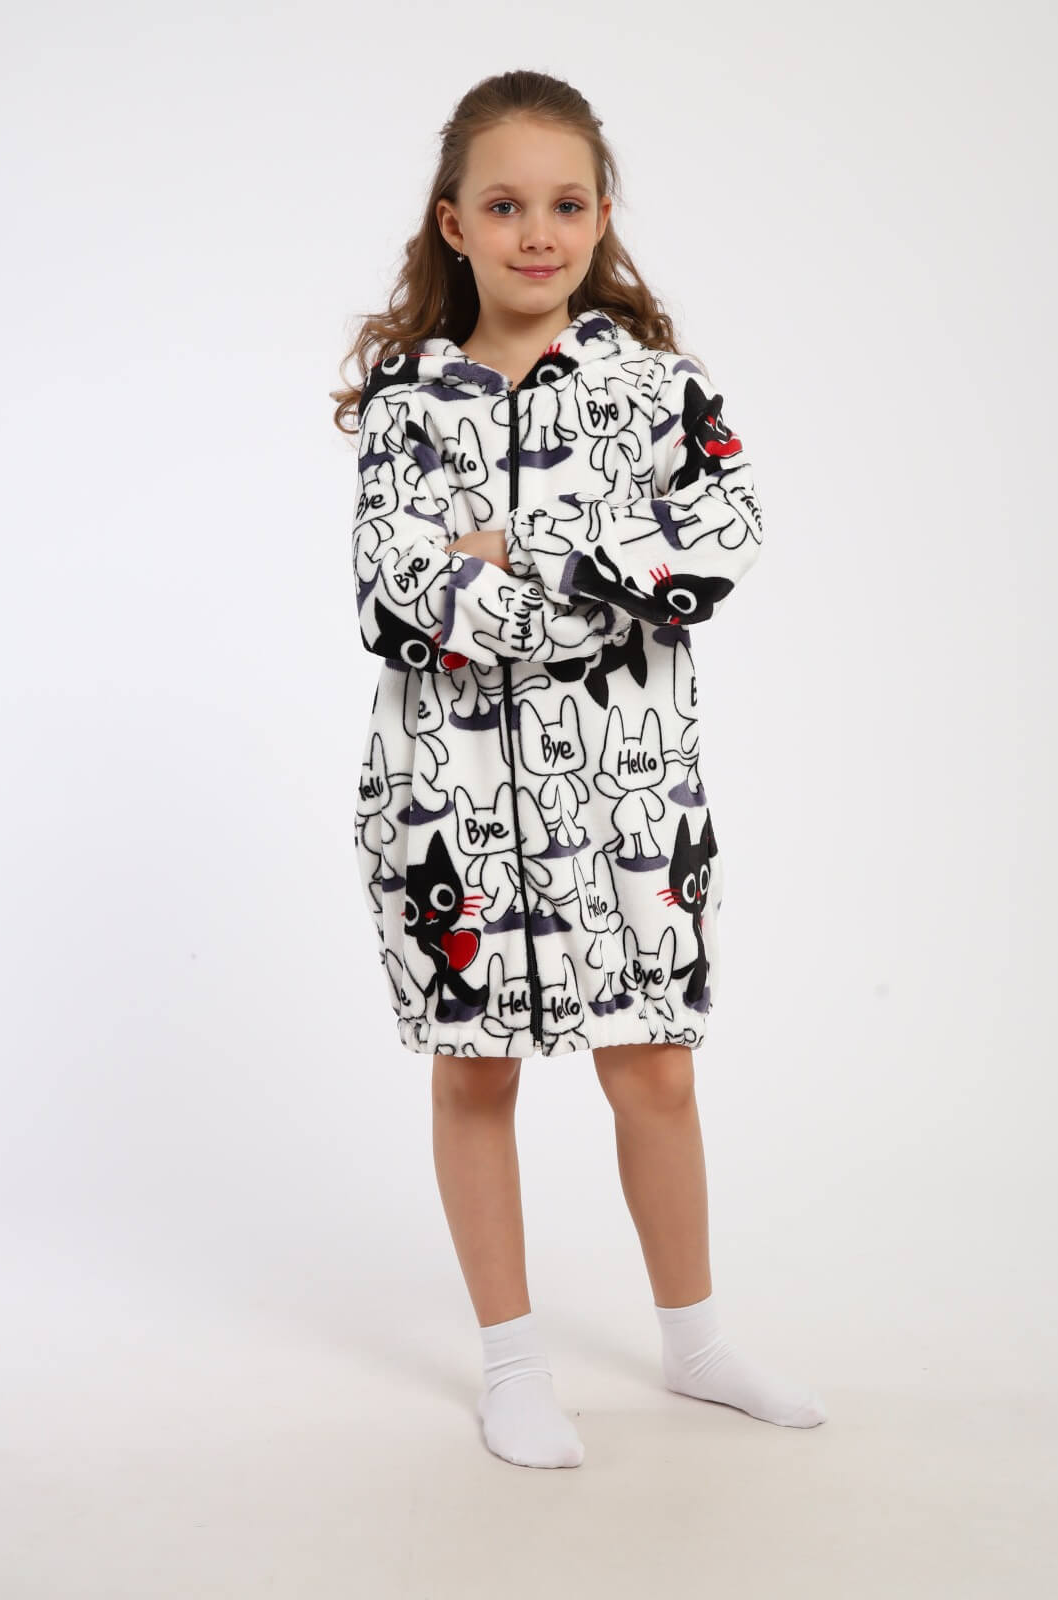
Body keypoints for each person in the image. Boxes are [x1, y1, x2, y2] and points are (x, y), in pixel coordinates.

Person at [331, 69, 826, 1469]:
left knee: (655, 1072)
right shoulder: (405, 405)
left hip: (630, 802)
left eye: (563, 204)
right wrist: (603, 580)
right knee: (474, 1076)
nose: (535, 232)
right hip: (445, 804)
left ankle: (696, 1342)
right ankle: (511, 1368)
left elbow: (721, 542)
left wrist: (515, 561)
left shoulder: (660, 390)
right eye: (503, 205)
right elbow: (390, 601)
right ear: (454, 223)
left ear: (602, 215)